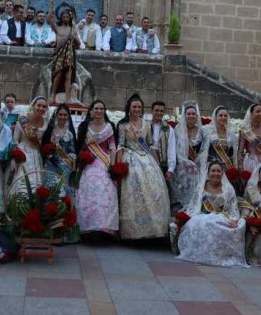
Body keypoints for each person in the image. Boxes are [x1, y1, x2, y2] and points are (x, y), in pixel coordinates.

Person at [116, 94, 170, 239]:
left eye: (139, 107)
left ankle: (153, 229)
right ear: (129, 108)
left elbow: (150, 144)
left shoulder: (146, 124)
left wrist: (157, 164)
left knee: (154, 187)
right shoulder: (123, 125)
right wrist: (118, 165)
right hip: (130, 157)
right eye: (134, 106)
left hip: (146, 157)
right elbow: (120, 145)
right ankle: (134, 230)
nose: (137, 109)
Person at [177, 161, 247, 267]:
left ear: (222, 173)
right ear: (208, 173)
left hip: (221, 217)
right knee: (199, 223)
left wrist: (233, 219)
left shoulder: (228, 189)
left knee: (232, 225)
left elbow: (233, 209)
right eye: (213, 171)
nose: (216, 173)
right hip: (201, 217)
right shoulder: (201, 187)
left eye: (218, 171)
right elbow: (194, 206)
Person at [75, 100, 119, 238]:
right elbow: (81, 147)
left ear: (104, 110)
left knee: (106, 187)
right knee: (87, 185)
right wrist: (82, 158)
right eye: (96, 108)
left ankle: (105, 227)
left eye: (101, 108)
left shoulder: (109, 127)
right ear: (92, 110)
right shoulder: (84, 126)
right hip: (88, 163)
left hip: (104, 161)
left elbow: (112, 147)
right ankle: (87, 227)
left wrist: (112, 166)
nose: (99, 111)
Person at [173, 101, 209, 213]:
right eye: (188, 114)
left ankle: (195, 208)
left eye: (193, 114)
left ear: (197, 116)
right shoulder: (178, 130)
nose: (191, 116)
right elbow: (176, 150)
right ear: (184, 115)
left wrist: (196, 162)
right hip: (182, 166)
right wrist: (186, 162)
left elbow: (204, 150)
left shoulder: (203, 132)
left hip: (198, 166)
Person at [9, 96, 48, 195]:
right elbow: (15, 140)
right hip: (23, 154)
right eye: (39, 105)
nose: (41, 108)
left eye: (44, 106)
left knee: (36, 182)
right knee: (22, 181)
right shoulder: (23, 119)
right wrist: (14, 157)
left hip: (37, 155)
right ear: (33, 106)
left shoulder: (46, 123)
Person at [48, 1, 81, 103]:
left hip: (69, 55)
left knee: (68, 76)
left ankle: (67, 98)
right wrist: (51, 7)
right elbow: (49, 19)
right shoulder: (57, 28)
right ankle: (53, 96)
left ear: (70, 18)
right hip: (59, 54)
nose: (66, 18)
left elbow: (78, 44)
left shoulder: (73, 29)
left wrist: (74, 38)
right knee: (58, 75)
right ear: (61, 18)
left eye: (67, 17)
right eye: (64, 17)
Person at [41, 103, 77, 187]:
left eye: (65, 115)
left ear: (68, 116)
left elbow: (73, 151)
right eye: (60, 114)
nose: (62, 117)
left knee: (62, 190)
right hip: (50, 165)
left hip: (65, 166)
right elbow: (44, 147)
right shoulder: (50, 131)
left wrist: (68, 161)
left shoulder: (70, 133)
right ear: (56, 115)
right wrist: (50, 157)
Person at [206, 106, 239, 193]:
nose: (223, 117)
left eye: (225, 116)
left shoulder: (231, 134)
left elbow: (234, 154)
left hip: (226, 168)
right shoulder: (208, 132)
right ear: (215, 117)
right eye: (221, 115)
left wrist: (235, 169)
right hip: (212, 168)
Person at [237, 104, 261, 176]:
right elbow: (240, 151)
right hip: (251, 162)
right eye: (257, 111)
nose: (260, 114)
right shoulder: (245, 129)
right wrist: (240, 165)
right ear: (251, 114)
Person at [148, 101, 176, 184]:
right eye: (156, 110)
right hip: (147, 165)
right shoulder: (145, 126)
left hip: (163, 166)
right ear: (152, 111)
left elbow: (172, 149)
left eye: (161, 111)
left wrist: (170, 169)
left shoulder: (169, 129)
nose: (159, 113)